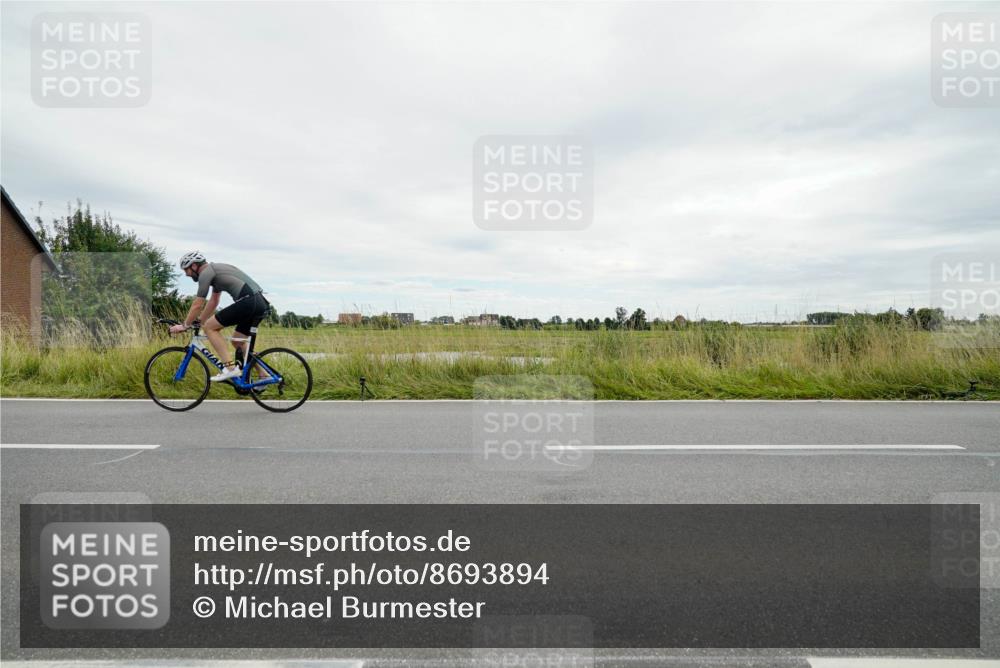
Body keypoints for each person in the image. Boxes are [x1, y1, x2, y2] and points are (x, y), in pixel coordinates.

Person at [170, 251, 270, 382]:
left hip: (249, 302)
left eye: (186, 270)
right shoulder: (214, 271)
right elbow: (214, 301)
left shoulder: (205, 273)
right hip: (259, 303)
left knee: (210, 328)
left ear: (194, 266)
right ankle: (264, 376)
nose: (186, 274)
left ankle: (230, 369)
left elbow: (197, 304)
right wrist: (200, 321)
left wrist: (185, 325)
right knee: (238, 341)